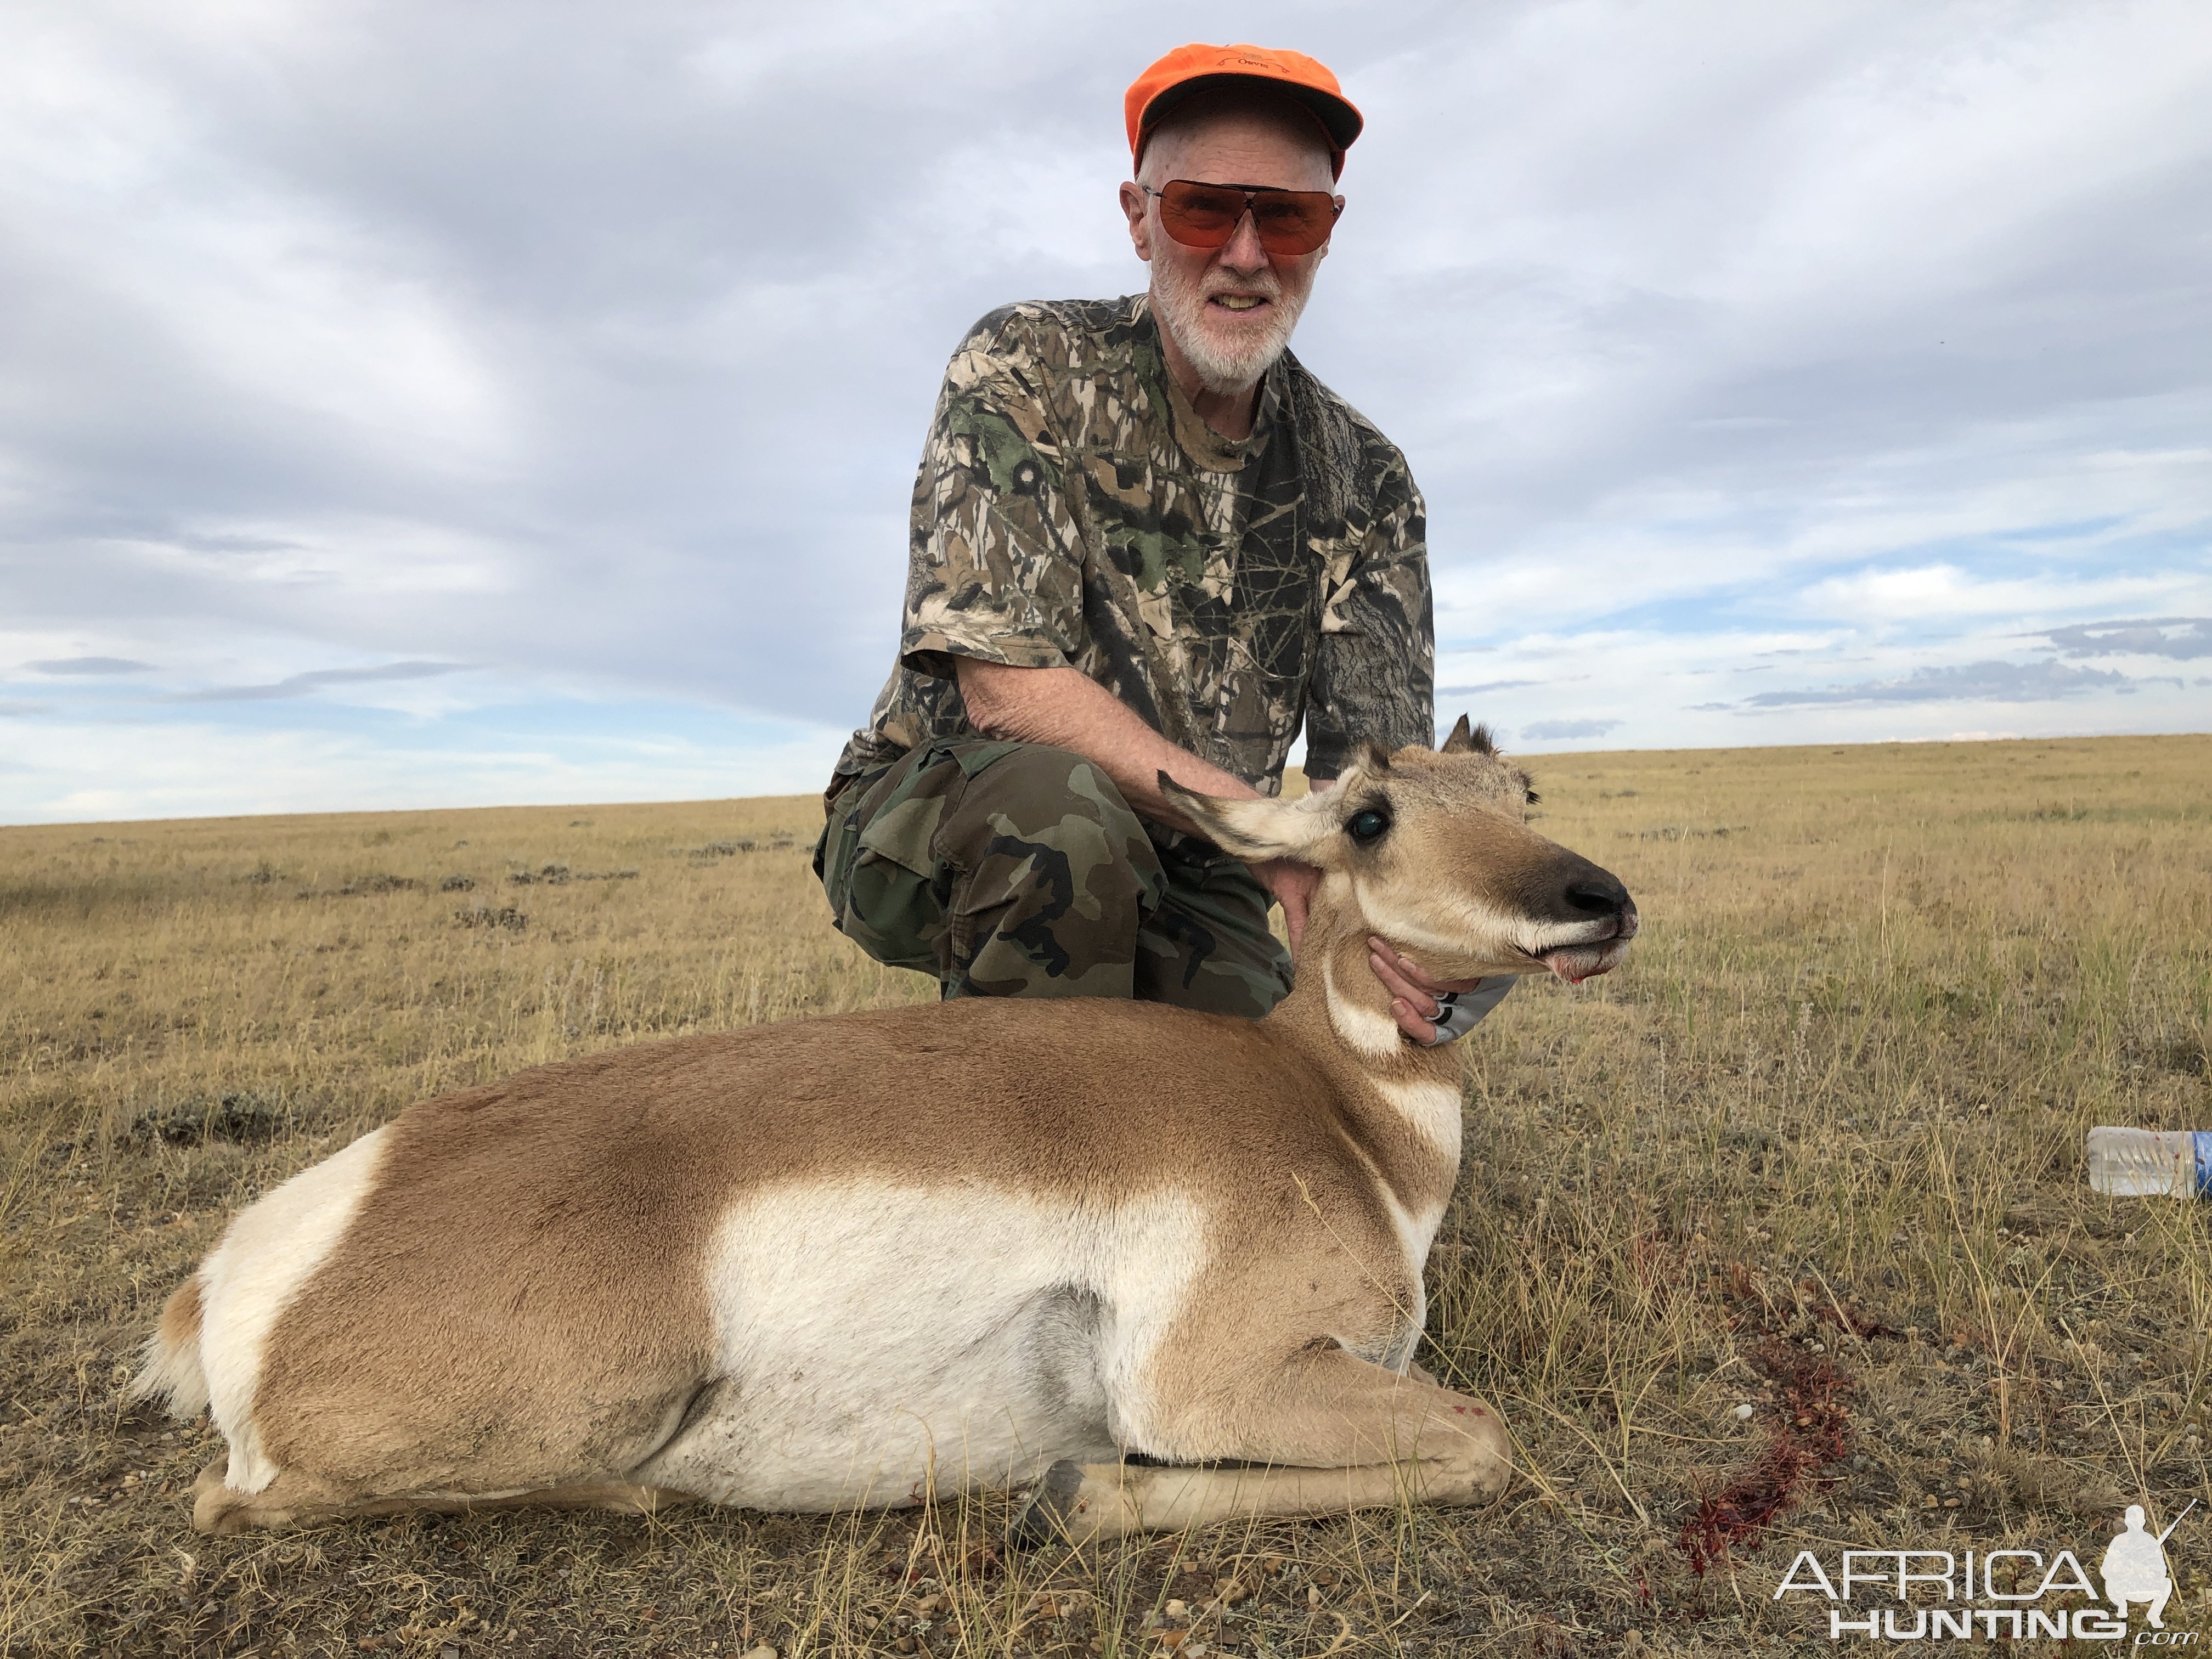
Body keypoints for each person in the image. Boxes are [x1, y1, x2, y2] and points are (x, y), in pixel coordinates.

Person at [814, 41, 1511, 1042]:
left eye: (1287, 215)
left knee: (1277, 1096)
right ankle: (1016, 1168)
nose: (1244, 252)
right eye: (1200, 208)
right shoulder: (1026, 367)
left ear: (1328, 235)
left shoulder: (1369, 478)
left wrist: (1424, 935)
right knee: (1064, 827)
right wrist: (1268, 838)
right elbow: (1004, 694)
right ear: (1140, 220)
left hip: (1202, 862)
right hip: (940, 808)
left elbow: (1367, 780)